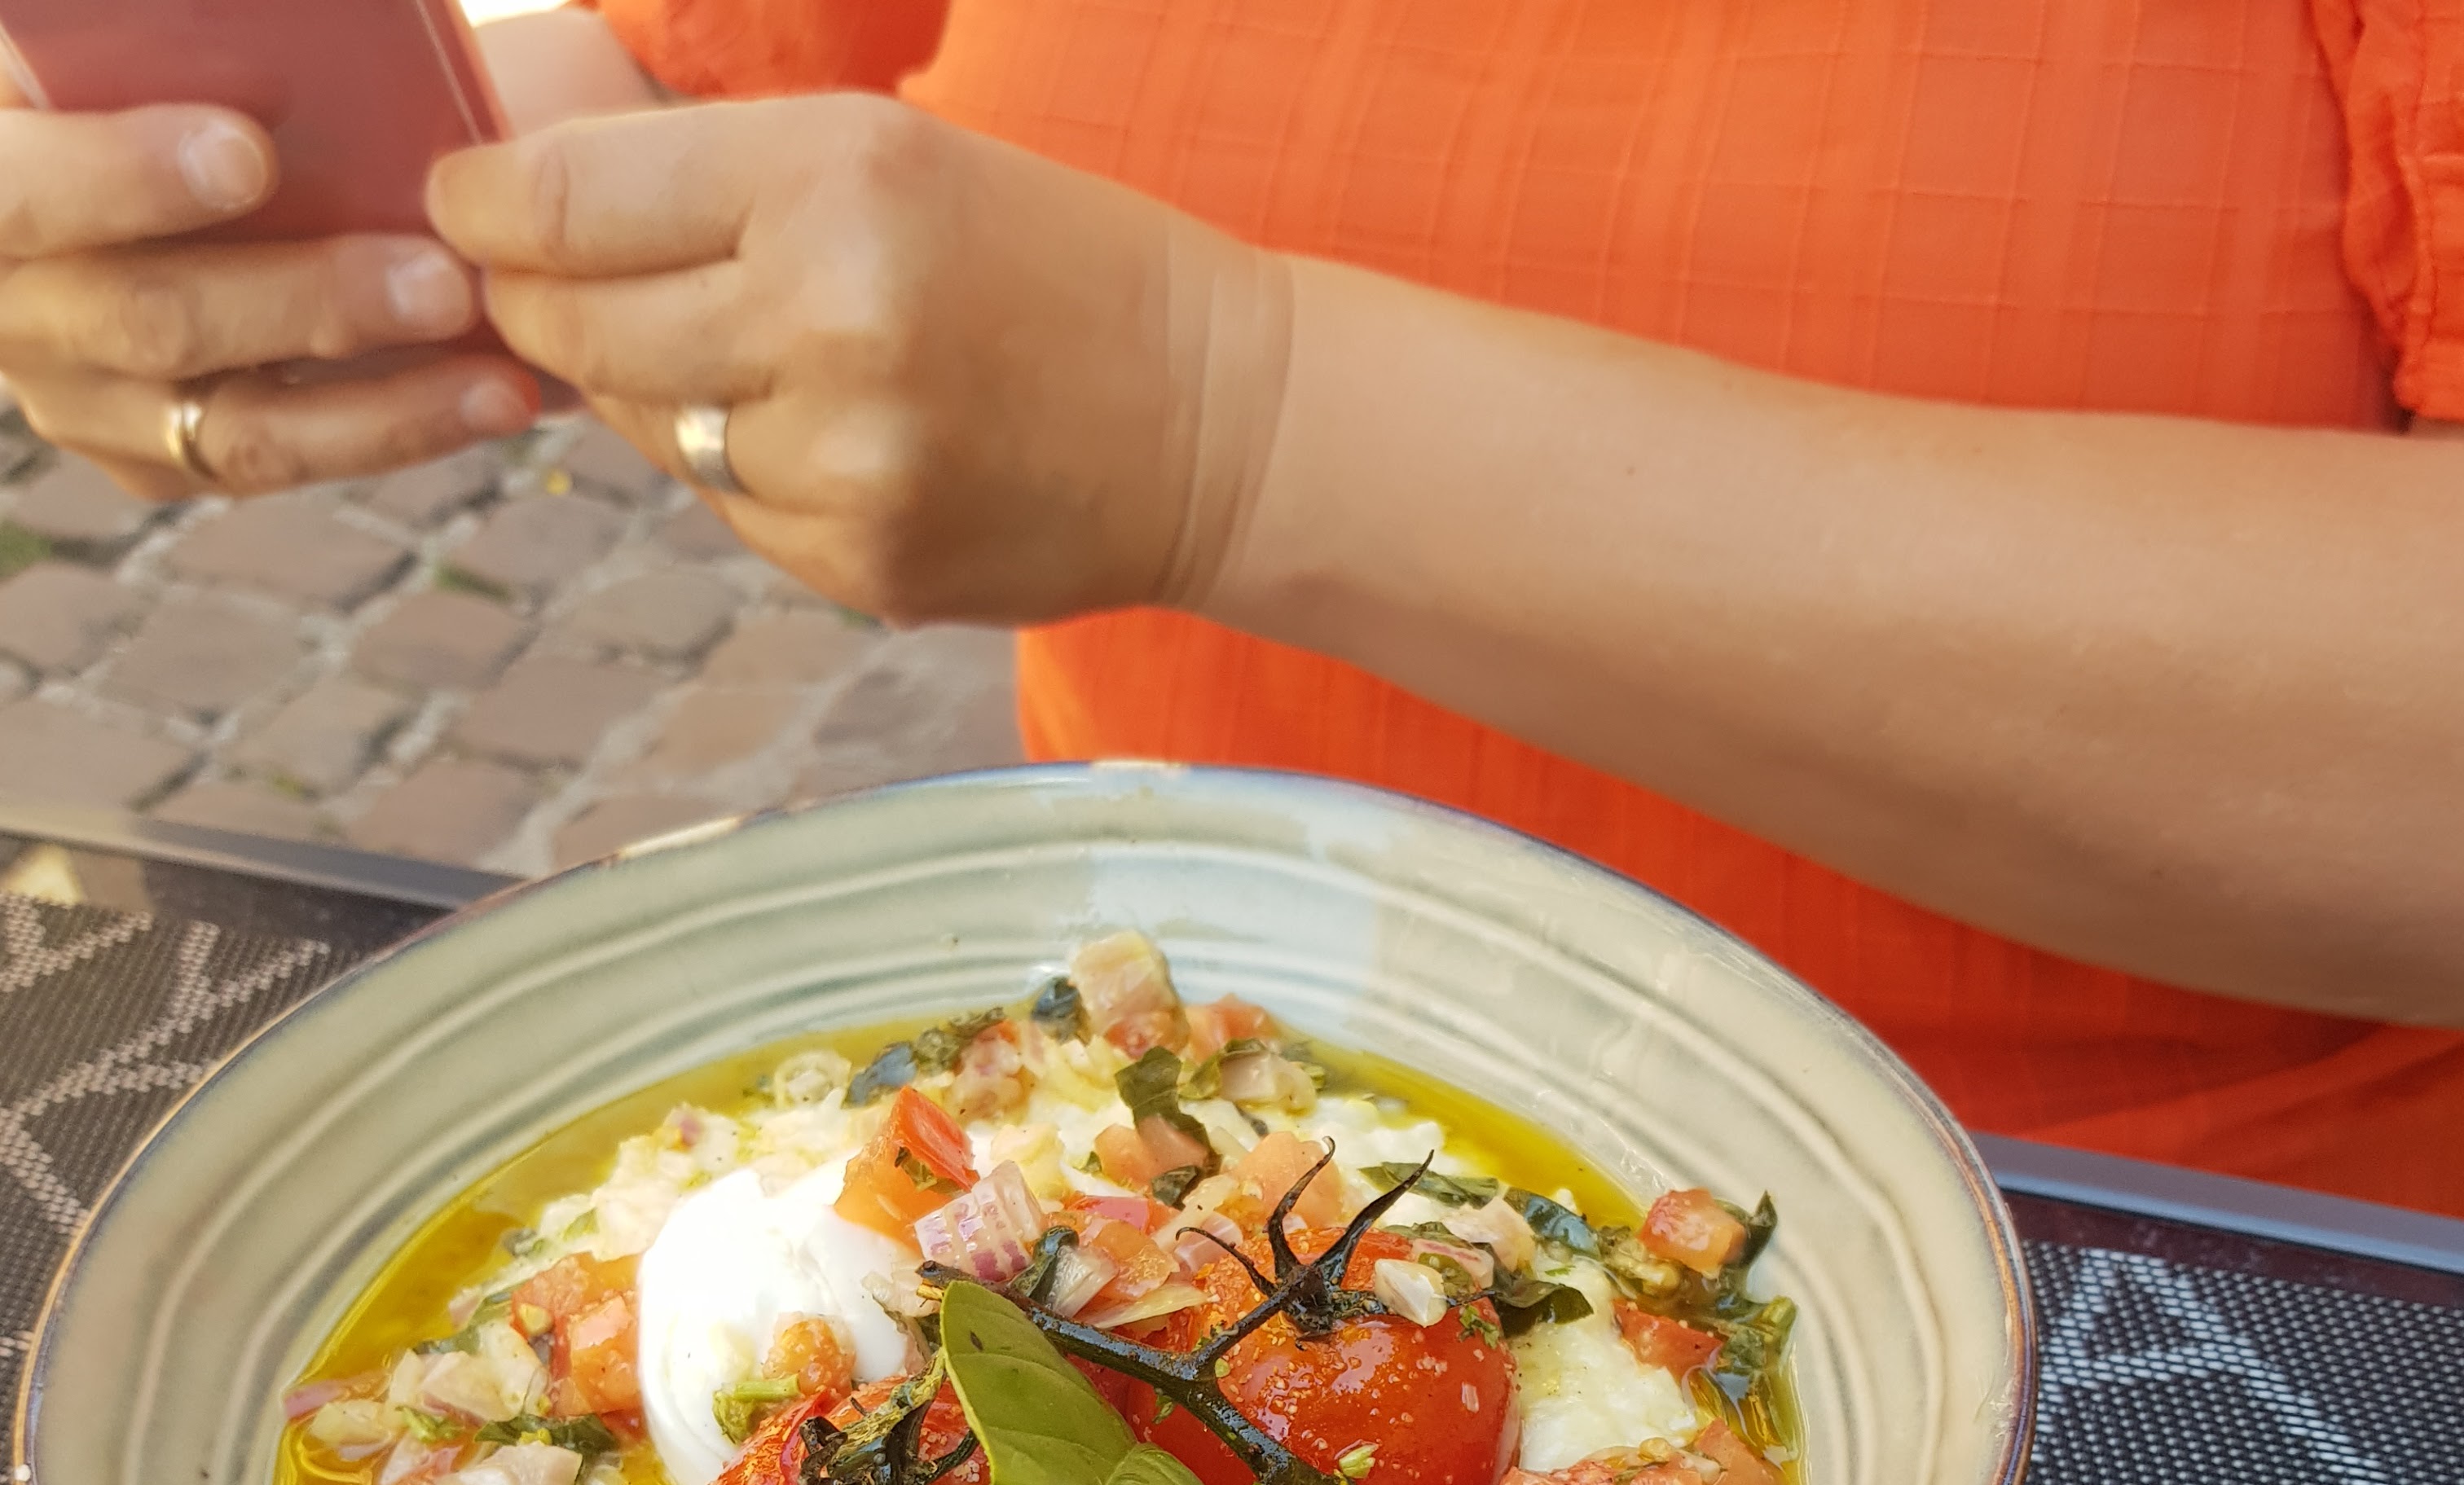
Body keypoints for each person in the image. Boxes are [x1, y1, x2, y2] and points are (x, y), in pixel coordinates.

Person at [4, 2, 2462, 1213]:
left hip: (2179, 1297)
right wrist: (265, 193)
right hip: (1165, 1138)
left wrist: (1248, 426)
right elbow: (716, 81)